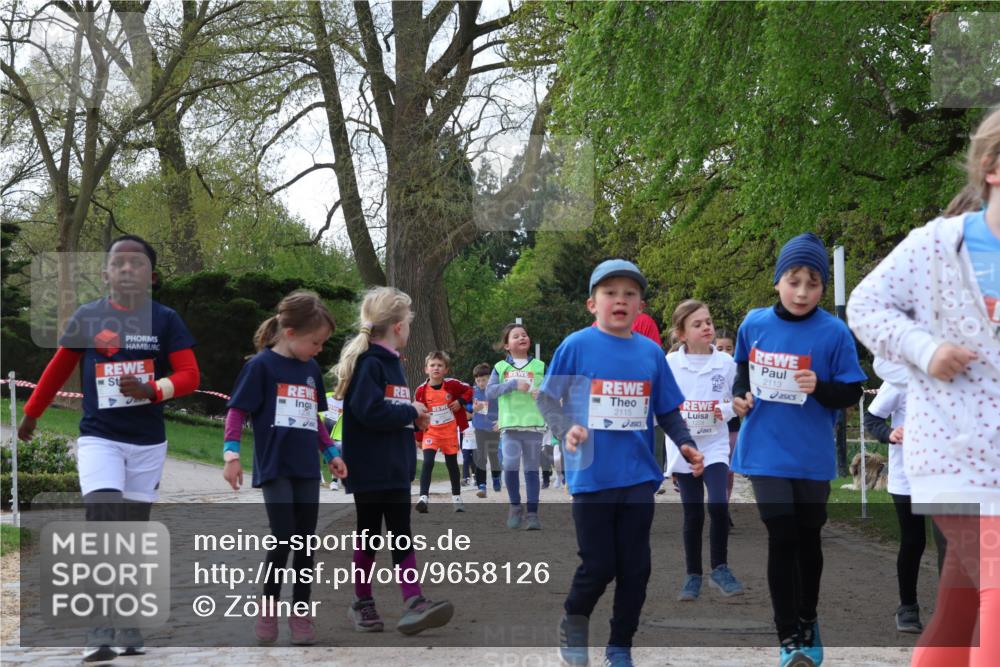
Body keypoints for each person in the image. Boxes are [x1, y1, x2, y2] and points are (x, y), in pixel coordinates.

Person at [848, 107, 1000, 667]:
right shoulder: (938, 245)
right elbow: (865, 306)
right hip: (954, 458)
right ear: (992, 167)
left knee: (958, 610)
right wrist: (926, 349)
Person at [18, 235, 200, 662]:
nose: (126, 269)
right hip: (100, 436)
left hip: (147, 443)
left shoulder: (165, 320)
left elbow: (190, 374)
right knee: (102, 519)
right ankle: (100, 626)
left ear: (151, 277)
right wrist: (32, 412)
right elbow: (57, 366)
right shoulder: (88, 316)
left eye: (136, 264)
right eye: (117, 263)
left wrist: (153, 388)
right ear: (105, 274)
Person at [537, 259, 704, 667]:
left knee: (636, 568)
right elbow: (546, 399)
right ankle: (573, 624)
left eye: (629, 294)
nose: (620, 300)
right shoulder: (576, 346)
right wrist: (565, 428)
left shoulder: (650, 353)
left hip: (637, 476)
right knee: (598, 565)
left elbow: (666, 410)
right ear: (591, 304)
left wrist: (685, 443)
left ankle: (619, 647)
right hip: (591, 475)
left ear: (640, 305)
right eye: (610, 293)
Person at [732, 232, 867, 666]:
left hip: (810, 455)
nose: (803, 291)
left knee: (808, 539)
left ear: (823, 288)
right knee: (782, 535)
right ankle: (788, 636)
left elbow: (852, 392)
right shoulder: (753, 324)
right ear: (777, 281)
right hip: (765, 450)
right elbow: (740, 375)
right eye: (794, 281)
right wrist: (741, 397)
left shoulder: (833, 332)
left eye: (813, 283)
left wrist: (821, 388)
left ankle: (808, 618)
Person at [222, 291, 346, 646]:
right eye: (315, 342)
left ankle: (302, 614)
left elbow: (316, 420)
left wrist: (330, 453)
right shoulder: (260, 367)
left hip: (307, 469)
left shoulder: (310, 371)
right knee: (283, 537)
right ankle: (268, 607)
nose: (319, 349)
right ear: (290, 333)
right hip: (276, 468)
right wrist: (231, 455)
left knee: (306, 543)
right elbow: (236, 411)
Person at [332, 287, 454, 635]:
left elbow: (390, 412)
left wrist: (412, 418)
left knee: (402, 533)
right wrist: (409, 410)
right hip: (370, 469)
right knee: (369, 534)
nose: (410, 329)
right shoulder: (370, 363)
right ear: (399, 326)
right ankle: (362, 602)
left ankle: (414, 601)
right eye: (410, 324)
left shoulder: (393, 365)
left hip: (396, 469)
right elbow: (368, 410)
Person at [664, 300, 744, 601]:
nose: (706, 327)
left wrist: (721, 410)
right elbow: (664, 404)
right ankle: (693, 575)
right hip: (684, 445)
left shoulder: (726, 363)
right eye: (697, 324)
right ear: (682, 333)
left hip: (714, 444)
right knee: (693, 512)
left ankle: (720, 568)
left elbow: (734, 403)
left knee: (719, 505)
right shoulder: (670, 364)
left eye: (708, 322)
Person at [864, 357, 946, 634]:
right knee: (913, 541)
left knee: (951, 545)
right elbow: (872, 416)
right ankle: (908, 606)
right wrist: (889, 433)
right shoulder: (901, 377)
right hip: (909, 478)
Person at [486, 323, 546, 530]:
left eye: (524, 335)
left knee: (531, 470)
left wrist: (544, 394)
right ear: (506, 346)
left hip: (534, 425)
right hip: (510, 425)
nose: (522, 338)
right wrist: (513, 384)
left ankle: (532, 514)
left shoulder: (540, 365)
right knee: (510, 467)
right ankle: (514, 507)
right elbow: (490, 392)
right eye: (516, 336)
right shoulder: (500, 368)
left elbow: (551, 391)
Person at [413, 351, 473, 513]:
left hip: (449, 431)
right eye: (432, 365)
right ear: (426, 369)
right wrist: (418, 437)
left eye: (440, 365)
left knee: (452, 464)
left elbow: (469, 390)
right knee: (428, 462)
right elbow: (418, 416)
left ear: (446, 369)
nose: (436, 368)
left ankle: (456, 497)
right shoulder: (421, 390)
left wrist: (460, 401)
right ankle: (423, 498)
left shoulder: (452, 384)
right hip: (430, 431)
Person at [714, 328, 740, 526]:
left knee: (728, 472)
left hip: (732, 426)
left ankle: (723, 508)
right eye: (720, 347)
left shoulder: (736, 368)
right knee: (715, 472)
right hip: (709, 428)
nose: (724, 352)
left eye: (728, 348)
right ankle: (717, 507)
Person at [470, 362, 501, 496]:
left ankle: (496, 478)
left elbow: (504, 408)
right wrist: (473, 408)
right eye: (478, 380)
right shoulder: (473, 390)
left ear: (490, 378)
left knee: (493, 455)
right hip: (479, 428)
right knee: (481, 455)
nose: (481, 383)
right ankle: (481, 485)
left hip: (493, 427)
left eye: (484, 380)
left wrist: (500, 421)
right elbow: (470, 406)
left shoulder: (495, 391)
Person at [321, 390, 345, 490]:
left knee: (336, 454)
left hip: (337, 433)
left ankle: (334, 480)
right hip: (322, 429)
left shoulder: (348, 401)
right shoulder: (327, 396)